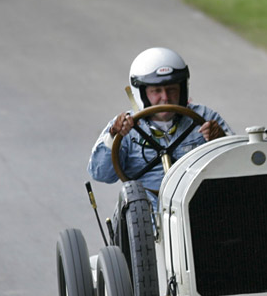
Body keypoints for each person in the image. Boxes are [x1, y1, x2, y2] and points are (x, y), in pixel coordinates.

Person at [88, 47, 232, 198]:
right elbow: (101, 174)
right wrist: (113, 136)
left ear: (182, 90)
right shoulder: (124, 126)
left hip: (198, 204)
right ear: (142, 93)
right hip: (146, 212)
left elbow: (238, 165)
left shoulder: (204, 117)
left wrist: (221, 140)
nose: (165, 98)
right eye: (156, 91)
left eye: (171, 90)